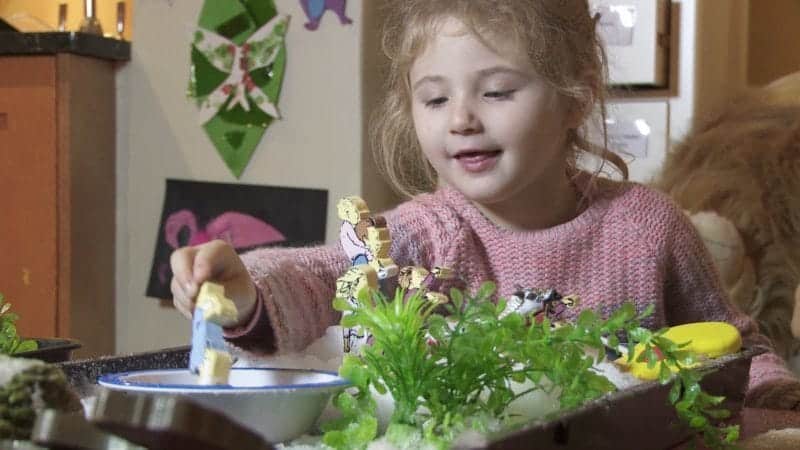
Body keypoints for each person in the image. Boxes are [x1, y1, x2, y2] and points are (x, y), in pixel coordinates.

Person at [170, 0, 800, 409]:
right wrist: (246, 289)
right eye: (435, 100)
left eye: (496, 91)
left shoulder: (647, 226)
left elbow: (734, 346)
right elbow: (326, 275)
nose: (462, 120)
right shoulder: (428, 233)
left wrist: (773, 400)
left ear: (575, 97)